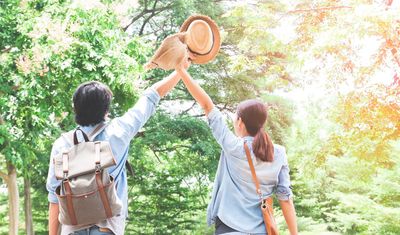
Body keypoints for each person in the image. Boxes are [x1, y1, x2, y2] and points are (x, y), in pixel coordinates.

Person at [46, 67, 188, 235]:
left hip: (72, 229)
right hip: (107, 227)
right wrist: (181, 69)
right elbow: (152, 95)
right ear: (106, 110)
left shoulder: (62, 144)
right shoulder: (119, 131)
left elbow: (54, 197)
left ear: (75, 108)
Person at [176, 58, 298, 235]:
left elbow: (207, 105)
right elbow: (285, 197)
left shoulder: (233, 147)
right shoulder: (278, 153)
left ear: (240, 122)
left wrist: (181, 70)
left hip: (229, 228)